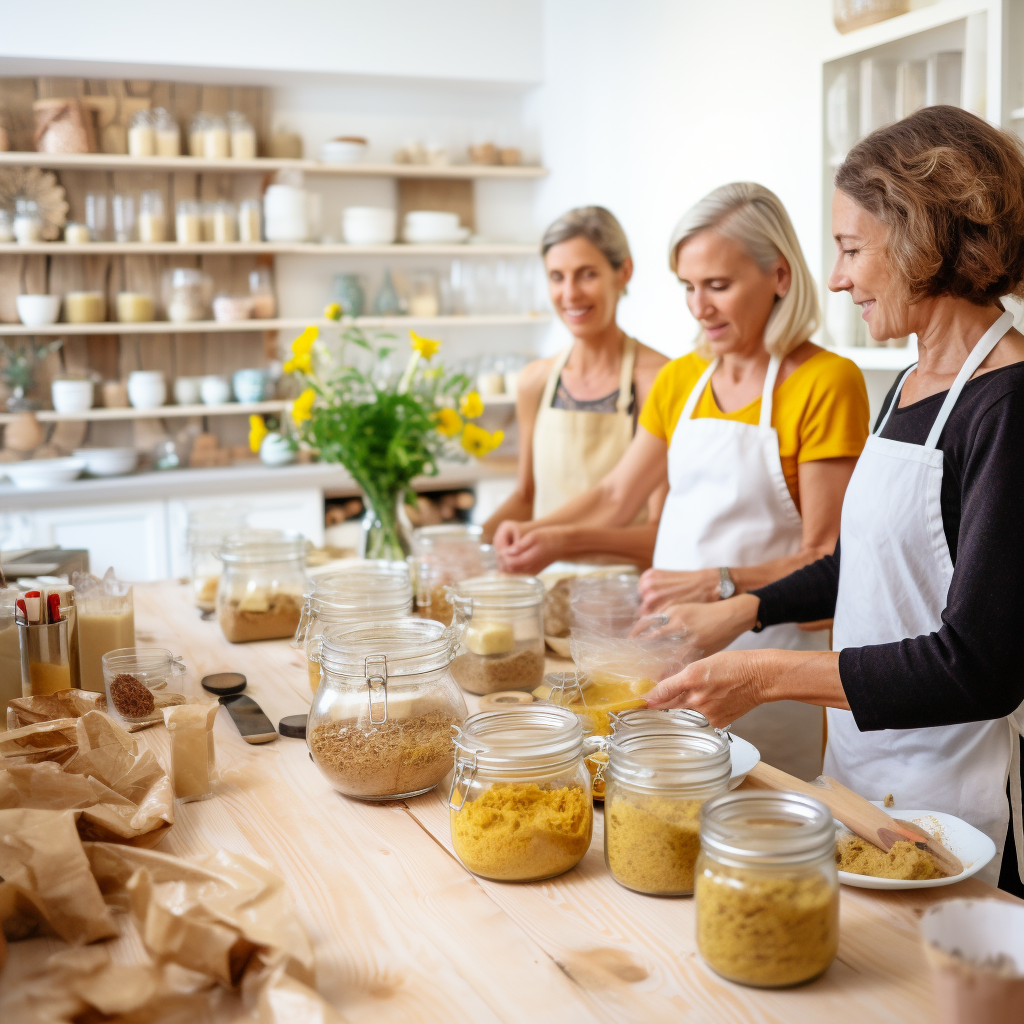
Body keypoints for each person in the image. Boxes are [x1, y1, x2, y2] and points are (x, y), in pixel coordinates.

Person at [646, 106, 1024, 893]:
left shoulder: (1008, 405)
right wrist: (743, 607)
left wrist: (765, 677)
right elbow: (867, 565)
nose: (840, 276)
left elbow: (981, 667)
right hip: (862, 770)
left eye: (852, 248)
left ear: (926, 235)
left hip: (962, 797)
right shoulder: (913, 383)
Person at [496, 183, 869, 778]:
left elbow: (827, 555)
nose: (699, 308)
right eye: (688, 288)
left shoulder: (826, 382)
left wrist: (717, 585)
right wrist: (538, 534)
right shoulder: (683, 380)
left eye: (718, 286)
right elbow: (618, 495)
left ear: (778, 275)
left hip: (770, 664)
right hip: (668, 656)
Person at [481, 206, 668, 563]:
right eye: (556, 276)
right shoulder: (535, 382)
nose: (570, 294)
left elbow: (660, 535)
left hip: (626, 599)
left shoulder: (658, 380)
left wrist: (557, 542)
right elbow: (525, 497)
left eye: (586, 275)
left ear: (623, 272)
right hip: (542, 587)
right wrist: (467, 546)